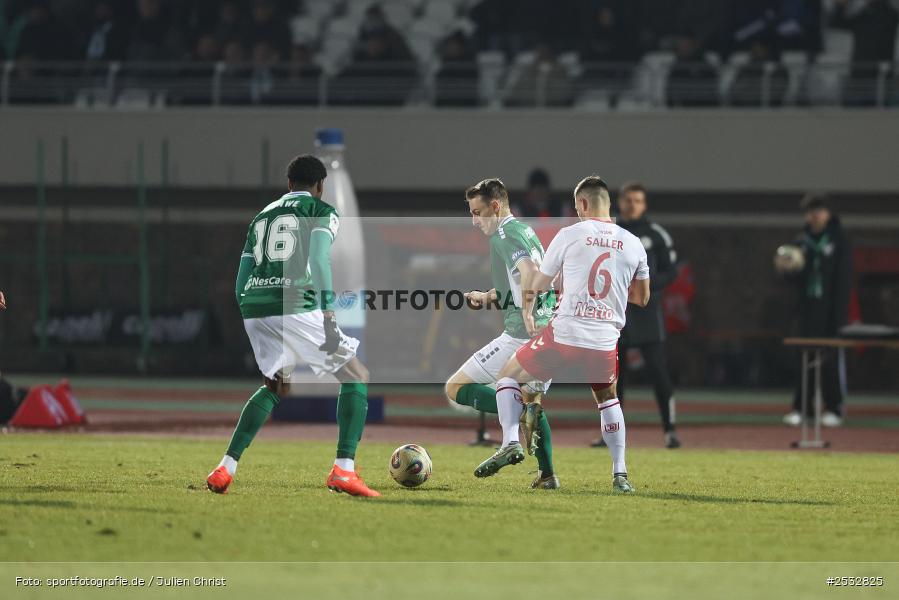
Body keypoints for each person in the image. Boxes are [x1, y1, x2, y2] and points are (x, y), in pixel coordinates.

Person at [206, 155, 379, 497]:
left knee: (276, 384)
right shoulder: (321, 211)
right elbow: (317, 260)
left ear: (288, 184)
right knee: (356, 376)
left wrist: (253, 308)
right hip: (295, 304)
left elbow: (241, 278)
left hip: (255, 306)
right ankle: (344, 470)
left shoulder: (261, 217)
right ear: (320, 187)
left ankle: (226, 467)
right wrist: (328, 312)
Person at [475, 176, 650, 493]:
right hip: (604, 339)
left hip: (564, 335)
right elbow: (642, 298)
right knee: (608, 401)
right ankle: (620, 475)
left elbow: (538, 283)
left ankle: (511, 442)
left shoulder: (569, 234)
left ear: (582, 204)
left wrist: (528, 311)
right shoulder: (634, 243)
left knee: (507, 377)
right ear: (608, 203)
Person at [444, 178, 560, 489]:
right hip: (550, 331)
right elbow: (529, 277)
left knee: (456, 387)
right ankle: (547, 476)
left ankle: (511, 434)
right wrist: (488, 296)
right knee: (532, 402)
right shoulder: (526, 231)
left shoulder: (505, 235)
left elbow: (530, 275)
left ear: (495, 207)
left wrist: (525, 308)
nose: (474, 221)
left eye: (478, 212)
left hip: (522, 333)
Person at [591, 182, 680, 448]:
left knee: (658, 371)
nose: (632, 205)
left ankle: (670, 431)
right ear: (619, 202)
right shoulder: (608, 231)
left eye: (637, 200)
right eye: (628, 200)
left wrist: (645, 286)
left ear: (645, 204)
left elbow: (671, 271)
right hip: (614, 313)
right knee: (614, 378)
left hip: (646, 311)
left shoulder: (656, 234)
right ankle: (611, 434)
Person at [783, 193, 851, 427]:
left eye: (819, 210)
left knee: (830, 360)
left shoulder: (839, 240)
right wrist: (787, 269)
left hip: (830, 309)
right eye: (811, 211)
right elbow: (792, 280)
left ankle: (834, 407)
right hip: (807, 308)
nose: (814, 216)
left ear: (829, 213)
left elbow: (843, 281)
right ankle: (802, 408)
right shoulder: (801, 241)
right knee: (804, 360)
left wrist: (840, 316)